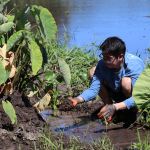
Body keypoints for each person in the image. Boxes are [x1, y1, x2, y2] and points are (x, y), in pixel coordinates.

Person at [68, 36, 145, 127]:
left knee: (126, 82)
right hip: (117, 92)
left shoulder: (134, 65)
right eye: (103, 56)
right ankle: (110, 109)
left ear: (120, 57)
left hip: (135, 97)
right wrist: (78, 99)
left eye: (108, 58)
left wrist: (115, 107)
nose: (104, 61)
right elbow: (94, 89)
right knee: (93, 72)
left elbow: (138, 97)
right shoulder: (102, 64)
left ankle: (133, 111)